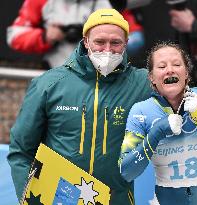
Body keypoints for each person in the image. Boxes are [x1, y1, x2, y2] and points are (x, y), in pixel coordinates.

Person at [7, 8, 152, 205]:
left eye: (115, 42)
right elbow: (21, 150)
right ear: (86, 41)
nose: (107, 50)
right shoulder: (49, 84)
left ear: (126, 44)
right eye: (99, 42)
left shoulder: (143, 82)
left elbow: (181, 94)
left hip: (116, 199)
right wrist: (29, 197)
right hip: (58, 199)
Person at [118, 42, 197, 205]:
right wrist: (156, 133)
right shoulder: (141, 111)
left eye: (177, 64)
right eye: (161, 66)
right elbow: (126, 171)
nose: (170, 69)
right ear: (151, 77)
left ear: (186, 72)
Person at [6, 0, 146, 69]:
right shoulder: (42, 2)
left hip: (103, 77)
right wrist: (44, 37)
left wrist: (107, 40)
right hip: (57, 73)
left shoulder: (112, 2)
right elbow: (14, 36)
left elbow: (135, 38)